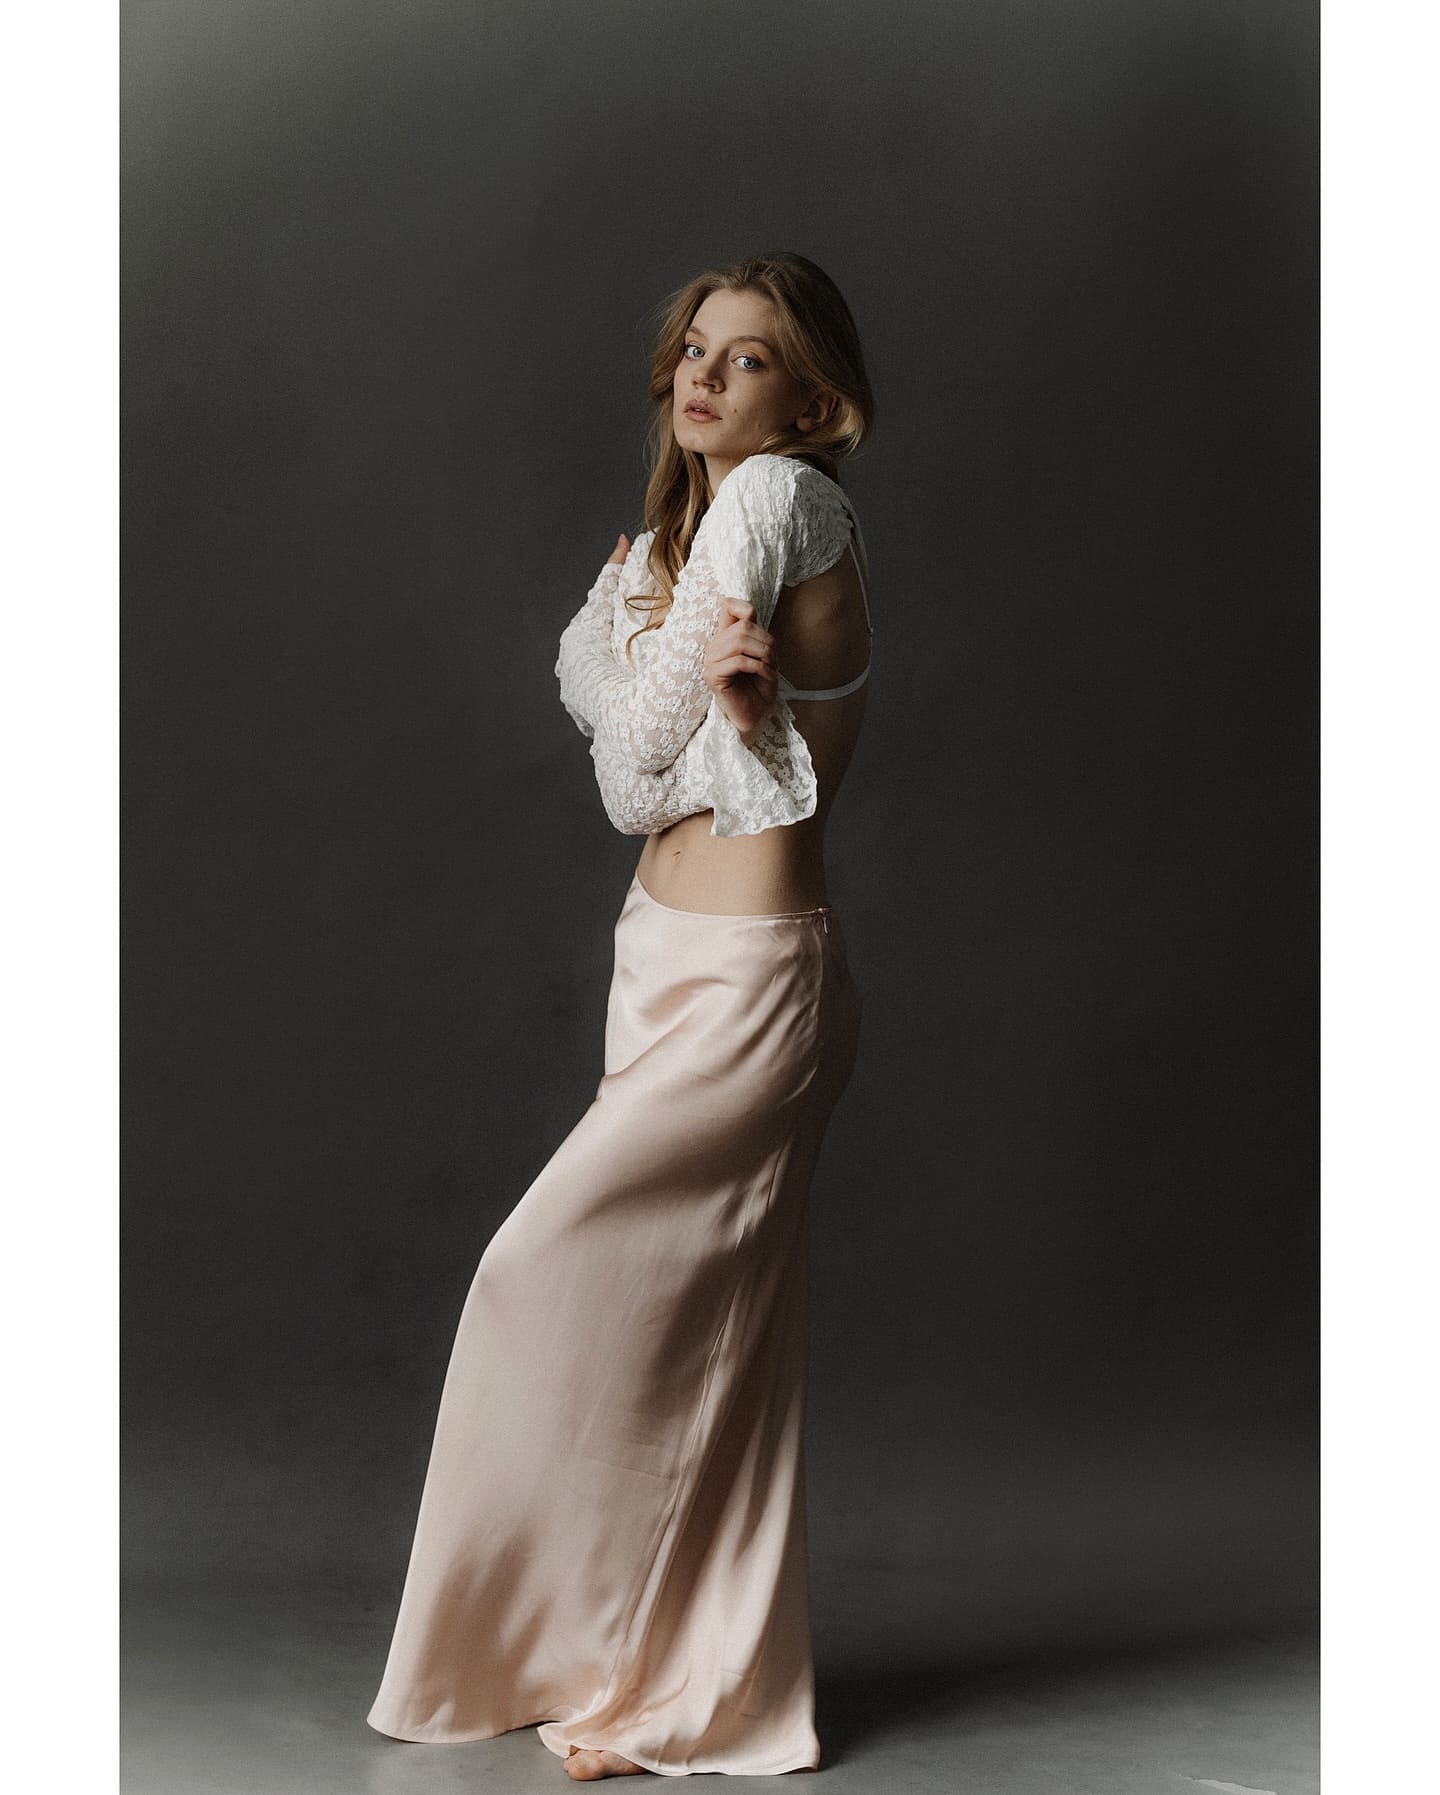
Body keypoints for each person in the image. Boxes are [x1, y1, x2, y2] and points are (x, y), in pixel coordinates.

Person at [365, 251, 876, 1780]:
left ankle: (650, 1676)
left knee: (543, 1277)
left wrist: (637, 667)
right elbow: (585, 676)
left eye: (750, 357)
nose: (707, 375)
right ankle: (654, 1672)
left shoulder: (779, 501)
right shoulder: (679, 539)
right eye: (696, 350)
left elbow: (620, 766)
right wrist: (644, 668)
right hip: (657, 961)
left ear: (815, 402)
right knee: (688, 1346)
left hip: (746, 992)